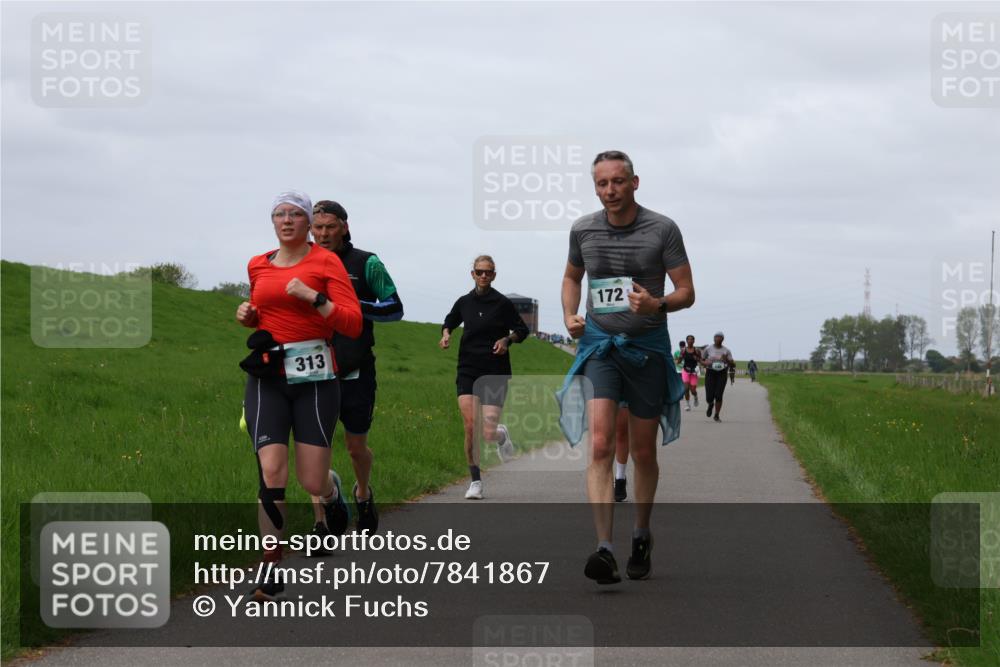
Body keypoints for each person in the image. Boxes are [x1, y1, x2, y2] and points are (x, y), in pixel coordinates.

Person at [559, 150, 694, 584]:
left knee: (642, 452)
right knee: (600, 444)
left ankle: (641, 533)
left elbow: (687, 291)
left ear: (635, 183)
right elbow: (572, 277)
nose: (610, 191)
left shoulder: (663, 229)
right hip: (601, 346)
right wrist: (568, 314)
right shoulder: (583, 229)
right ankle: (603, 548)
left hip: (648, 348)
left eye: (618, 182)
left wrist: (657, 303)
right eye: (602, 184)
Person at [236, 190, 363, 600]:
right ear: (272, 222)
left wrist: (315, 297)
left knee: (310, 478)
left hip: (316, 380)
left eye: (295, 214)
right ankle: (270, 569)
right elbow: (264, 311)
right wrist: (248, 316)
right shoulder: (258, 264)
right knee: (272, 472)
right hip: (268, 376)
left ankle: (331, 491)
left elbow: (353, 324)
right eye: (279, 214)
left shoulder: (326, 263)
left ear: (310, 222)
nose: (286, 220)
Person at [305, 200, 404, 540]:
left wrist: (347, 307)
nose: (323, 233)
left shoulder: (367, 263)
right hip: (313, 370)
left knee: (354, 447)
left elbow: (394, 308)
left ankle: (363, 493)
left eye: (329, 227)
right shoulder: (300, 263)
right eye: (317, 227)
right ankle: (321, 523)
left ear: (344, 227)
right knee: (314, 448)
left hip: (356, 369)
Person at [440, 255, 529, 500]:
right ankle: (476, 481)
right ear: (472, 274)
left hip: (495, 371)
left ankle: (500, 435)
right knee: (470, 426)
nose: (483, 276)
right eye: (479, 272)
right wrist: (446, 334)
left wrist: (506, 340)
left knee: (487, 432)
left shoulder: (502, 303)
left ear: (494, 275)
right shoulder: (464, 302)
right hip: (468, 368)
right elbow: (449, 321)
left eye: (488, 272)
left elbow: (522, 330)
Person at [702, 331, 734, 422]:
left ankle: (716, 415)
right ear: (714, 338)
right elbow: (702, 360)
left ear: (723, 339)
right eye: (716, 337)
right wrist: (705, 363)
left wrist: (727, 359)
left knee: (718, 395)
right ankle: (710, 404)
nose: (718, 339)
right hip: (710, 372)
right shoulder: (708, 349)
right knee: (709, 396)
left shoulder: (726, 350)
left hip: (722, 373)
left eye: (720, 337)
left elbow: (733, 364)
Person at [680, 334, 702, 411]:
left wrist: (697, 359)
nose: (690, 341)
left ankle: (695, 397)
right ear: (686, 341)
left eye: (691, 339)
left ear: (694, 341)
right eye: (688, 339)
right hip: (685, 370)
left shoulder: (697, 350)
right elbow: (679, 361)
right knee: (686, 388)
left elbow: (701, 360)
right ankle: (687, 404)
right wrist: (680, 357)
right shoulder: (683, 350)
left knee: (693, 390)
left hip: (693, 372)